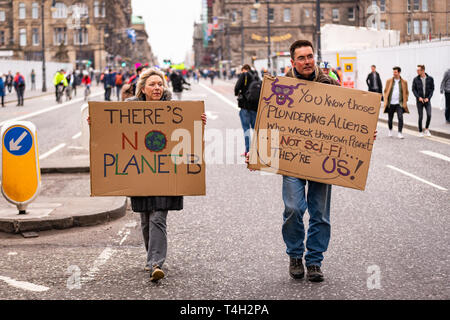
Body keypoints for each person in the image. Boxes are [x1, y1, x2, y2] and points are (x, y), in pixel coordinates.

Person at [125, 68, 207, 282]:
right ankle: (150, 257)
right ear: (142, 89)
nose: (157, 88)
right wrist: (95, 124)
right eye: (152, 84)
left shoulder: (174, 109)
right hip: (141, 171)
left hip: (167, 171)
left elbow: (190, 134)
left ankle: (155, 264)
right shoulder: (130, 109)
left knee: (159, 216)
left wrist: (198, 122)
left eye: (160, 84)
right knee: (145, 217)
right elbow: (112, 133)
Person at [234, 64, 256, 156]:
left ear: (244, 69)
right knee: (256, 129)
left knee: (246, 129)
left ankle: (248, 151)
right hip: (255, 106)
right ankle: (259, 150)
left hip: (245, 106)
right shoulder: (256, 76)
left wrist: (237, 93)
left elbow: (237, 87)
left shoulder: (244, 75)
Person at [383, 66, 409, 139]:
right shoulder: (389, 81)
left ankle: (400, 133)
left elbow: (406, 92)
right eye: (393, 72)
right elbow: (385, 91)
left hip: (399, 103)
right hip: (391, 103)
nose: (394, 73)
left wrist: (405, 100)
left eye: (395, 72)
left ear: (399, 73)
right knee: (390, 118)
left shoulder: (404, 82)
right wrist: (385, 99)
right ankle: (390, 130)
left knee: (400, 117)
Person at [412, 65, 435, 137]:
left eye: (418, 70)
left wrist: (429, 98)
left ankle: (427, 129)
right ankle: (420, 131)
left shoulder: (430, 79)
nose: (417, 71)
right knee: (421, 116)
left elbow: (432, 89)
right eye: (417, 70)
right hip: (419, 101)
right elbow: (413, 89)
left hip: (427, 100)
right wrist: (418, 97)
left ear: (423, 70)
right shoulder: (415, 79)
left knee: (429, 114)